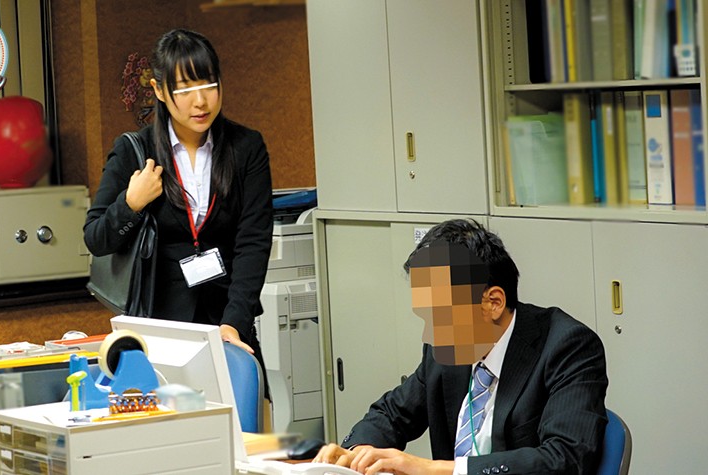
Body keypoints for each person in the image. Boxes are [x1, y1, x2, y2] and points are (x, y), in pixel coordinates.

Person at [314, 219, 608, 475]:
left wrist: (435, 469)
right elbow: (392, 414)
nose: (430, 335)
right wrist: (356, 452)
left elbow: (565, 458)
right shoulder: (444, 353)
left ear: (493, 302)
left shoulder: (567, 347)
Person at [84, 29, 273, 384]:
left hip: (227, 324)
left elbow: (254, 241)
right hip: (159, 329)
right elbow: (96, 238)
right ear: (159, 90)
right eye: (184, 90)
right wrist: (131, 203)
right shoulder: (135, 150)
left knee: (247, 409)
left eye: (209, 85)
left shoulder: (246, 147)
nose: (200, 101)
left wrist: (234, 322)